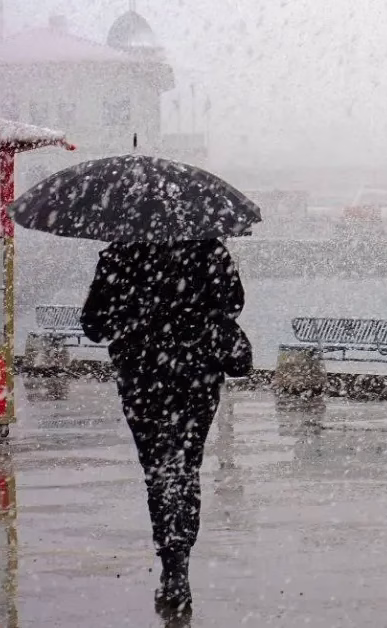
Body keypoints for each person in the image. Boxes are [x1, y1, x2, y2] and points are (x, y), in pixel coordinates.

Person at [81, 239, 247, 618]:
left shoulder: (119, 254)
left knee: (157, 471)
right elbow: (233, 304)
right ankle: (180, 560)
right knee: (186, 467)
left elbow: (94, 325)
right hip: (197, 374)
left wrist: (135, 315)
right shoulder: (210, 251)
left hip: (142, 377)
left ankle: (170, 563)